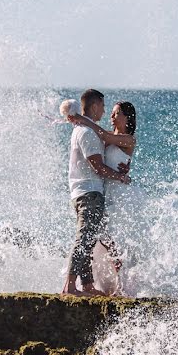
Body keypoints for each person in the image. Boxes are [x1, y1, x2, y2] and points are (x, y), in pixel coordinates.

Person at [62, 89, 131, 297]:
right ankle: (70, 287)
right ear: (94, 106)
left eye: (115, 112)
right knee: (84, 240)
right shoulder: (88, 133)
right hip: (90, 192)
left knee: (90, 240)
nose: (105, 112)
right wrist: (120, 177)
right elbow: (99, 168)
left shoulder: (87, 131)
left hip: (92, 193)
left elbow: (106, 138)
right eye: (102, 106)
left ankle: (88, 285)